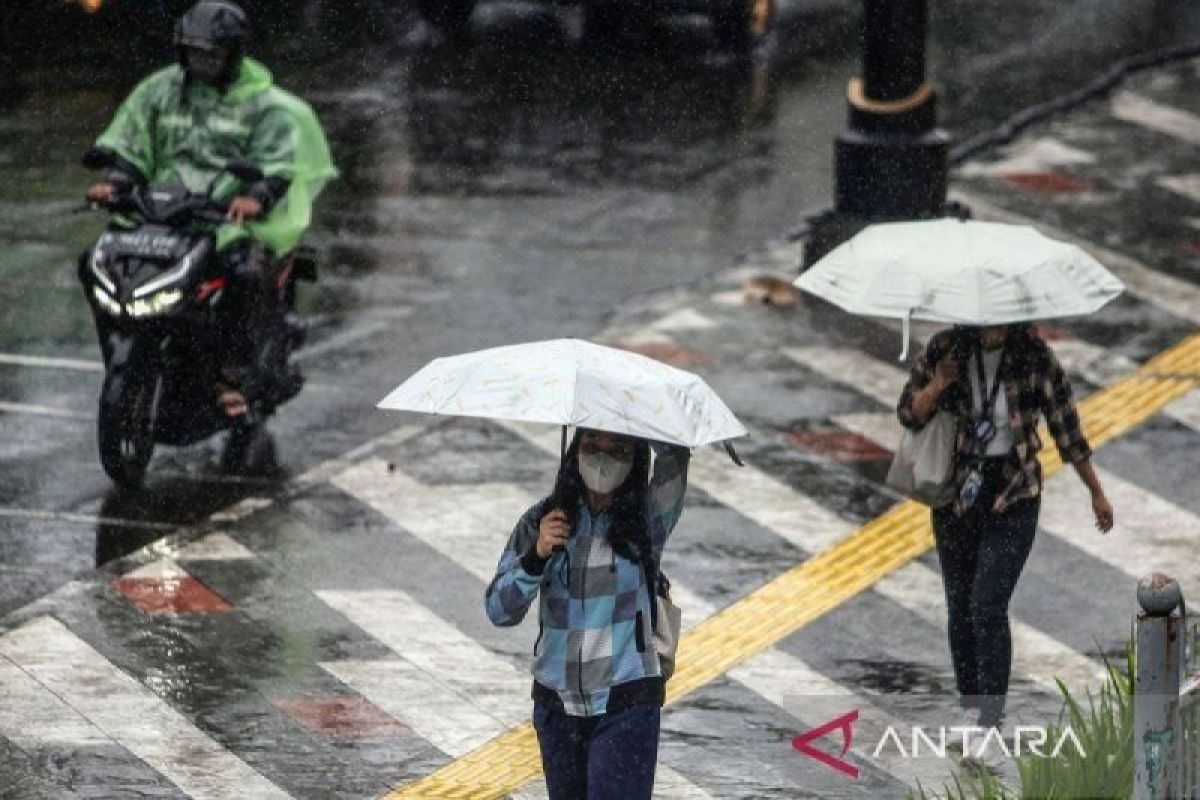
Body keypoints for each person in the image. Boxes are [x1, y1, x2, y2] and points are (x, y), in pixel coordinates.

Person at [85, 0, 336, 422]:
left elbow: (278, 161)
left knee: (240, 272)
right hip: (163, 212)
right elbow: (131, 143)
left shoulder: (266, 105)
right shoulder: (160, 90)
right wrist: (116, 183)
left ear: (233, 54)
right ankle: (129, 348)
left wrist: (255, 195)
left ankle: (232, 377)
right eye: (193, 52)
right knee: (95, 262)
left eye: (210, 54)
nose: (200, 62)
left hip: (226, 220)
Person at [897, 324, 1115, 729]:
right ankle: (971, 707)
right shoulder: (946, 348)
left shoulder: (1034, 355)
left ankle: (990, 720)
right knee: (960, 607)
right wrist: (939, 383)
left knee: (987, 604)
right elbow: (908, 413)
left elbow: (1067, 430)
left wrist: (1096, 493)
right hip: (956, 494)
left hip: (1014, 492)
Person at [485, 428, 690, 800]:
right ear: (575, 450)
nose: (602, 459)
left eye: (618, 450)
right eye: (592, 445)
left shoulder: (647, 519)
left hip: (626, 702)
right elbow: (499, 610)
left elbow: (676, 455)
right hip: (556, 705)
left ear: (636, 457)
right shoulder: (541, 521)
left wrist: (633, 413)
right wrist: (536, 556)